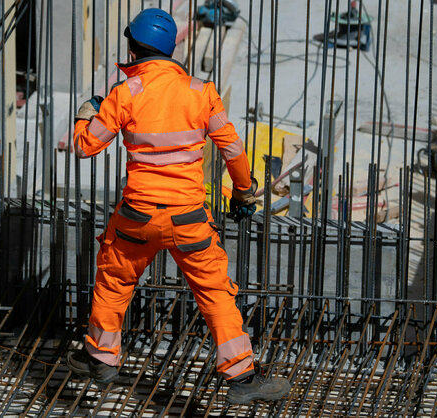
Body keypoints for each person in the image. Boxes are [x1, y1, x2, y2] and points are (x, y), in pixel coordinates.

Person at [64, 8, 290, 404]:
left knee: (115, 281)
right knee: (216, 293)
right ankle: (242, 378)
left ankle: (100, 356)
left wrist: (88, 112)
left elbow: (85, 146)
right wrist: (242, 192)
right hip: (189, 219)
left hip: (138, 217)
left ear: (134, 49)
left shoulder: (125, 93)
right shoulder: (201, 92)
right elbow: (233, 150)